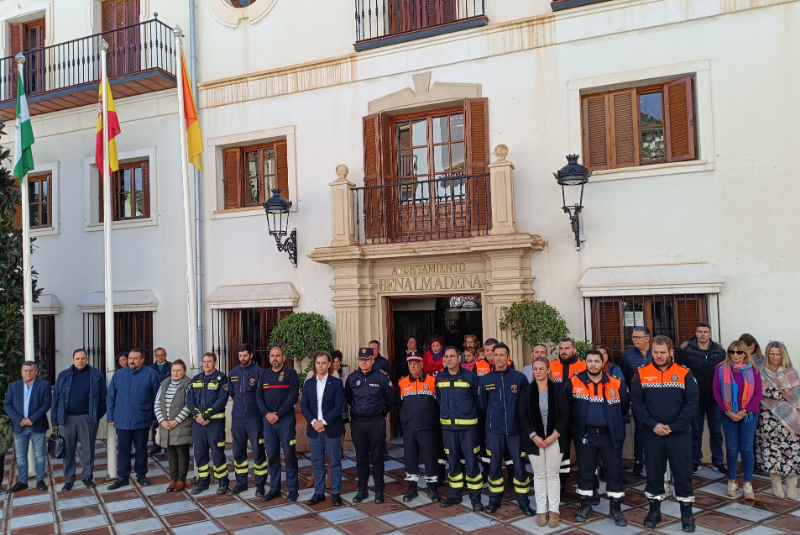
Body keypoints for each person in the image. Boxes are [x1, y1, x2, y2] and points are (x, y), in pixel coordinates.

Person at [630, 335, 697, 532]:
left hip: (679, 433)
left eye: (662, 352)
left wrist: (675, 426)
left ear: (671, 352)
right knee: (653, 472)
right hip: (652, 433)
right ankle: (654, 511)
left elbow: (692, 403)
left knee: (683, 473)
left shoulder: (684, 373)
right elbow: (637, 403)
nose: (658, 356)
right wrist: (652, 424)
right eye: (655, 352)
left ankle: (687, 515)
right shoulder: (642, 373)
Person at [566, 350, 629, 527]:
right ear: (585, 362)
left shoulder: (616, 383)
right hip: (585, 436)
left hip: (610, 437)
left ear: (603, 363)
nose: (593, 364)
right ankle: (585, 506)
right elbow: (568, 407)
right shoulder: (574, 382)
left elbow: (623, 407)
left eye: (596, 361)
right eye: (589, 361)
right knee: (585, 472)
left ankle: (615, 509)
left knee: (613, 473)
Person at [478, 343, 533, 516]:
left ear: (508, 357)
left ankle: (523, 502)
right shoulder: (486, 380)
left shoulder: (519, 378)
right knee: (494, 467)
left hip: (516, 431)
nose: (499, 358)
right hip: (494, 431)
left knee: (519, 467)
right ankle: (494, 500)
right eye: (496, 355)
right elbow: (482, 405)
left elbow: (526, 404)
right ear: (492, 357)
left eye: (503, 355)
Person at [519, 356, 569, 528]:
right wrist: (534, 436)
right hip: (535, 440)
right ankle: (541, 510)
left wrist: (554, 435)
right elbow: (523, 416)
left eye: (542, 368)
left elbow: (565, 415)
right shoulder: (527, 391)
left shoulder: (558, 390)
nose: (538, 372)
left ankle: (554, 511)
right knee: (539, 475)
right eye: (535, 369)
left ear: (548, 370)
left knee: (553, 475)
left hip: (555, 439)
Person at [51, 348, 107, 491]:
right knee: (68, 450)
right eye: (77, 358)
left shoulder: (96, 375)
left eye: (83, 358)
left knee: (88, 450)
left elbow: (103, 397)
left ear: (87, 359)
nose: (80, 361)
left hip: (87, 419)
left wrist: (96, 416)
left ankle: (87, 477)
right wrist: (55, 420)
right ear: (72, 359)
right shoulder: (63, 375)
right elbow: (56, 398)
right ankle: (69, 479)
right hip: (67, 419)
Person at [345, 347, 396, 504]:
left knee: (377, 458)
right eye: (361, 360)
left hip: (376, 423)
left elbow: (391, 399)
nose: (364, 362)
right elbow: (348, 398)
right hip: (358, 423)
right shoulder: (352, 378)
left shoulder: (382, 377)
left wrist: (380, 412)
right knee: (361, 459)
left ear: (372, 360)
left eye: (367, 359)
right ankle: (362, 490)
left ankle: (379, 491)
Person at [714, 340, 762, 500]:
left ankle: (748, 483)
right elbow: (716, 391)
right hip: (728, 414)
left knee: (747, 449)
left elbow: (757, 394)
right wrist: (727, 411)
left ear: (745, 353)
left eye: (739, 352)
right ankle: (732, 481)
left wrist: (744, 411)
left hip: (749, 415)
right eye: (731, 352)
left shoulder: (754, 370)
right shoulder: (721, 369)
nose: (735, 355)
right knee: (732, 448)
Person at [107, 348, 161, 490]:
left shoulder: (151, 374)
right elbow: (111, 396)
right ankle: (123, 477)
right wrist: (111, 416)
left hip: (142, 419)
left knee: (141, 449)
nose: (131, 361)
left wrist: (155, 416)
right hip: (122, 420)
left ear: (142, 360)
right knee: (123, 450)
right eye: (130, 358)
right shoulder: (119, 375)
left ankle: (141, 475)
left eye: (135, 358)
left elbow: (157, 397)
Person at [676, 323, 726, 474]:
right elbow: (681, 375)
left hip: (716, 400)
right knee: (696, 431)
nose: (702, 334)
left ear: (710, 334)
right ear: (695, 333)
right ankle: (695, 461)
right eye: (699, 331)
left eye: (705, 332)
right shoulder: (686, 351)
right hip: (695, 400)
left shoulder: (720, 352)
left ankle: (718, 462)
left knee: (716, 432)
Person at [437, 346, 483, 510]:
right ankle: (454, 495)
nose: (449, 359)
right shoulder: (440, 378)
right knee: (453, 462)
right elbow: (439, 400)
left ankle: (475, 498)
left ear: (459, 358)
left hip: (468, 430)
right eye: (446, 357)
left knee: (472, 463)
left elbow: (479, 401)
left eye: (452, 356)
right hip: (448, 429)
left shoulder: (470, 377)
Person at [756, 341, 800, 499]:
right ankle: (776, 483)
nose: (775, 357)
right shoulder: (761, 371)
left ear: (783, 355)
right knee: (772, 452)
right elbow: (760, 391)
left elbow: (796, 395)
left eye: (778, 354)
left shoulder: (791, 372)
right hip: (769, 418)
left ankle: (792, 484)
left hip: (790, 418)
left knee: (792, 452)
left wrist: (772, 390)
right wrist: (782, 390)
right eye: (772, 354)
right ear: (767, 355)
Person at [302, 351, 346, 506]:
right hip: (314, 429)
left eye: (323, 363)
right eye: (318, 363)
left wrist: (324, 422)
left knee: (334, 462)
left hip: (331, 429)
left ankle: (336, 493)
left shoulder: (336, 383)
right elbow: (304, 406)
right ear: (315, 364)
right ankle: (319, 492)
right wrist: (314, 422)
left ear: (329, 364)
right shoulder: (308, 384)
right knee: (317, 462)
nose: (320, 366)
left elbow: (338, 406)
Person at [258, 346, 300, 502]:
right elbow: (259, 397)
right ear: (269, 358)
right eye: (272, 355)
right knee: (272, 455)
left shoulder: (290, 373)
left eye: (278, 355)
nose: (275, 358)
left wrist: (278, 414)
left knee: (289, 455)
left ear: (283, 357)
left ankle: (293, 490)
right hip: (268, 421)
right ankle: (275, 489)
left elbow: (293, 396)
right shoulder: (264, 375)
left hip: (285, 420)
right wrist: (267, 414)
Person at [398, 351, 440, 503]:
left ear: (422, 364)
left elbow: (438, 405)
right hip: (409, 429)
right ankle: (412, 487)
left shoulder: (433, 381)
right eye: (410, 363)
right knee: (410, 459)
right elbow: (398, 405)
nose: (413, 366)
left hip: (428, 428)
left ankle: (432, 488)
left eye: (416, 363)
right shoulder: (402, 383)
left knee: (430, 458)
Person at [3, 361, 51, 493]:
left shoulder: (44, 385)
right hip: (19, 427)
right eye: (25, 370)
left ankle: (40, 480)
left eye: (31, 370)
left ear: (36, 371)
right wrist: (20, 420)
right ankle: (22, 481)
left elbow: (46, 404)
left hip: (37, 425)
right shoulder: (13, 386)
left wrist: (32, 419)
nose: (28, 373)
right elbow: (7, 405)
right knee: (20, 456)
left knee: (39, 455)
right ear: (21, 372)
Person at [187, 352, 230, 495]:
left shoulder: (221, 379)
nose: (206, 364)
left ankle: (223, 481)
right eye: (204, 361)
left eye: (209, 361)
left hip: (215, 424)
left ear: (215, 362)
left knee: (217, 453)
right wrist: (198, 416)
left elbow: (221, 400)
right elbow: (190, 400)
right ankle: (203, 481)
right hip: (198, 424)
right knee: (199, 453)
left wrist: (205, 415)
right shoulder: (196, 379)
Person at [228, 343, 268, 496]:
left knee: (258, 451)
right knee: (238, 452)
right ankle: (241, 483)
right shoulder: (232, 373)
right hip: (238, 418)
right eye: (240, 356)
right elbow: (232, 394)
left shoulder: (259, 372)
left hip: (255, 418)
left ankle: (260, 484)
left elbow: (263, 395)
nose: (242, 358)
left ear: (251, 355)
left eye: (245, 355)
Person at [550, 338, 587, 493]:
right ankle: (562, 483)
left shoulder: (584, 366)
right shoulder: (551, 366)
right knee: (562, 451)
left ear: (574, 349)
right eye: (561, 348)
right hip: (558, 417)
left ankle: (588, 485)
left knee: (584, 451)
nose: (563, 351)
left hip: (579, 416)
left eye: (567, 348)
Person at [154, 359, 193, 492]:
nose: (176, 373)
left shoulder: (188, 384)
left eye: (179, 370)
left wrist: (176, 420)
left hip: (181, 425)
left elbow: (189, 405)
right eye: (173, 370)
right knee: (171, 453)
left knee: (182, 453)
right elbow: (157, 403)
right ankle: (173, 479)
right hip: (166, 425)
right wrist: (162, 420)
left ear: (184, 371)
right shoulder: (164, 383)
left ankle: (181, 479)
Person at [622, 327, 652, 475]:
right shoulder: (628, 355)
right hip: (638, 400)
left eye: (638, 337)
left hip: (656, 399)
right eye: (633, 337)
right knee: (639, 429)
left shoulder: (656, 353)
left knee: (655, 430)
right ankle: (638, 461)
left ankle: (654, 460)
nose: (634, 340)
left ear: (647, 338)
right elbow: (627, 377)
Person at [148, 347, 172, 456]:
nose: (160, 357)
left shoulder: (171, 366)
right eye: (158, 355)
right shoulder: (150, 368)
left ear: (166, 355)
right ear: (155, 356)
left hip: (168, 398)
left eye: (162, 355)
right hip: (154, 398)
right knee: (156, 422)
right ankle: (156, 446)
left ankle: (167, 446)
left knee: (168, 422)